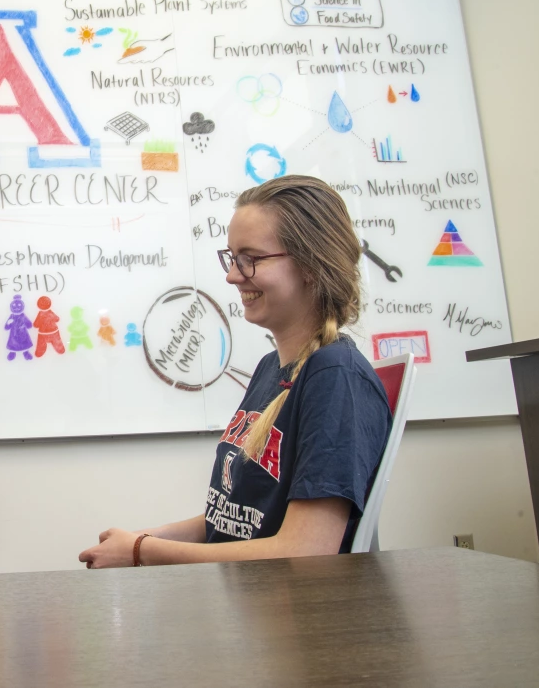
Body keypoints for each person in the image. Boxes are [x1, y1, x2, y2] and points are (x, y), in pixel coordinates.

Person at [79, 175, 391, 569]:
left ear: (311, 265)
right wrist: (144, 539)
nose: (232, 275)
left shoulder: (336, 377)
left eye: (251, 259)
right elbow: (237, 520)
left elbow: (307, 549)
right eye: (231, 258)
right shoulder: (270, 369)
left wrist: (143, 551)